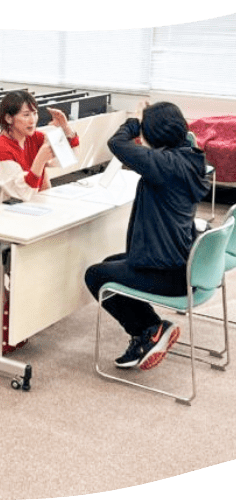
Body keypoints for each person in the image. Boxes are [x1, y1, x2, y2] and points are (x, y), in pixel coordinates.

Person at [85, 102, 210, 370]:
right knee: (110, 263)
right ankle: (152, 329)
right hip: (179, 261)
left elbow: (117, 143)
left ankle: (149, 330)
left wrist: (134, 122)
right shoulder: (189, 157)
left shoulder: (164, 164)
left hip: (166, 271)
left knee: (95, 275)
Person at [0, 90, 80, 200]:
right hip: (11, 206)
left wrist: (66, 129)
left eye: (35, 113)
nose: (32, 120)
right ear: (9, 118)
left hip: (37, 202)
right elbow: (23, 193)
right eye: (26, 115)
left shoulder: (35, 137)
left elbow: (69, 159)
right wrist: (40, 160)